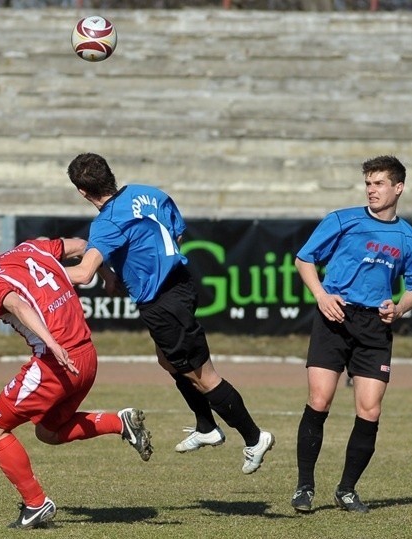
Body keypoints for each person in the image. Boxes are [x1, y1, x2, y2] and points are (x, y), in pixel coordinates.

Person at [64, 152, 274, 475]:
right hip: (181, 285)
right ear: (110, 173)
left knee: (203, 376)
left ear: (81, 191)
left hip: (163, 302)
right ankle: (206, 426)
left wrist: (37, 271)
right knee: (167, 360)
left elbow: (82, 274)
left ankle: (254, 437)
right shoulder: (147, 193)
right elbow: (175, 232)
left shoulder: (106, 223)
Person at [0, 232, 152, 529]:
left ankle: (36, 504)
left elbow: (17, 305)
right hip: (87, 356)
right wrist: (106, 274)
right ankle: (120, 423)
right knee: (48, 432)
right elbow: (82, 245)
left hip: (56, 363)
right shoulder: (28, 249)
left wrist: (51, 343)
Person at [291, 155, 412, 514]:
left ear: (398, 188)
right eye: (369, 183)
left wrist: (399, 308)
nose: (372, 190)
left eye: (380, 183)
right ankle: (304, 487)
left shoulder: (410, 238)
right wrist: (321, 296)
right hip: (335, 317)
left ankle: (347, 490)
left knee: (369, 409)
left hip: (375, 327)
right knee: (320, 400)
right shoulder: (342, 219)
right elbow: (304, 260)